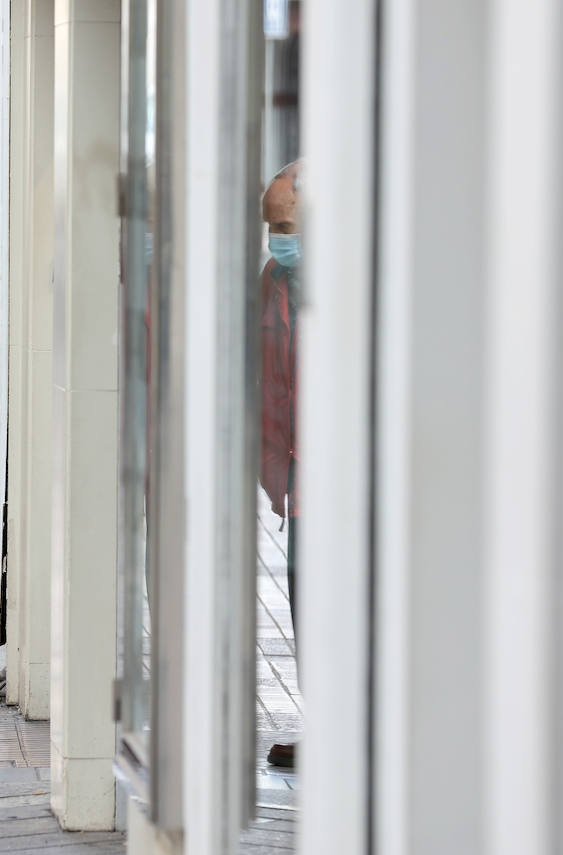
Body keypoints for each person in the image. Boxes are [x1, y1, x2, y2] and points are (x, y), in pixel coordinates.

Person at [258, 161, 302, 769]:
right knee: (308, 601)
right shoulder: (272, 279)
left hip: (347, 474)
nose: (278, 239)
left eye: (288, 225)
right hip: (296, 472)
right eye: (272, 226)